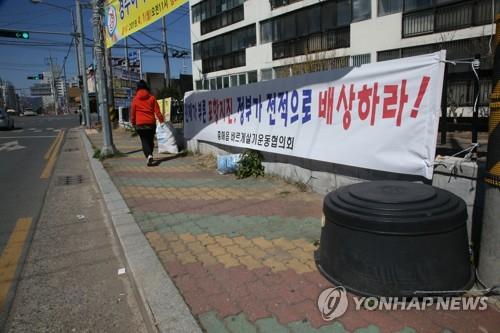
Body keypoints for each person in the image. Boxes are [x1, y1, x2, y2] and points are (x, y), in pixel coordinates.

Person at [131, 80, 165, 166]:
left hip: (140, 124)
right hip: (151, 124)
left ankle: (149, 155)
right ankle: (150, 154)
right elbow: (157, 111)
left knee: (144, 141)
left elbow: (133, 113)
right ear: (147, 88)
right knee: (150, 141)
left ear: (137, 88)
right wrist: (161, 121)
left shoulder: (135, 99)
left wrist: (133, 122)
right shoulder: (152, 98)